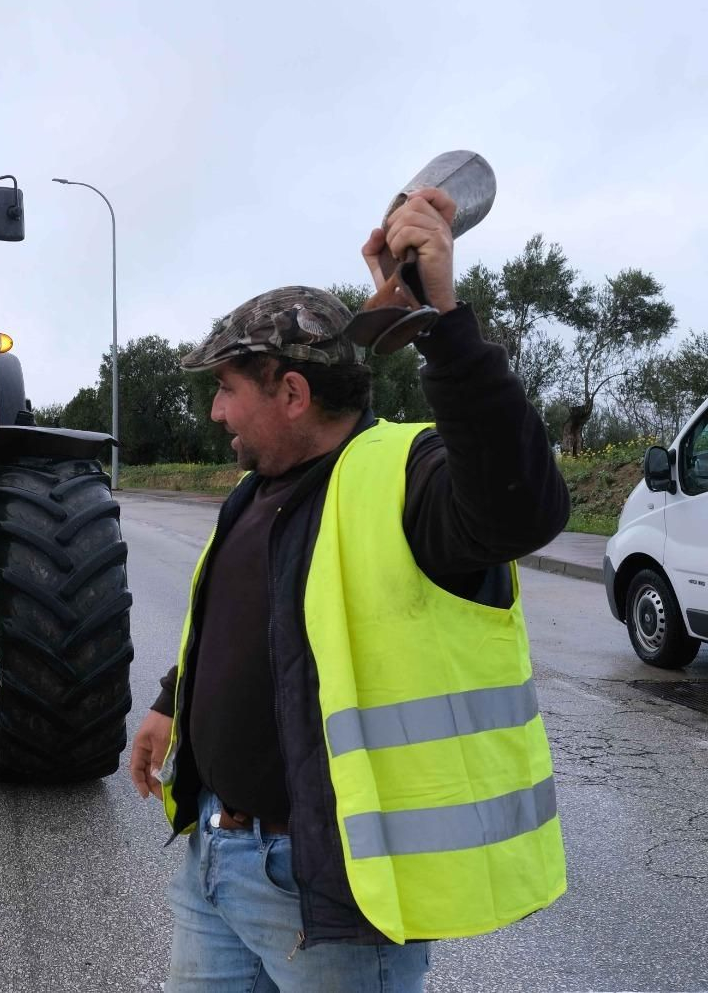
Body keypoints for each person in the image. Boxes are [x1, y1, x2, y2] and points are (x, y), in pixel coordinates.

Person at [128, 187, 569, 992]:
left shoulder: (406, 477)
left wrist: (442, 325)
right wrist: (169, 701)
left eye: (229, 389)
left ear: (292, 393)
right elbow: (240, 627)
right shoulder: (252, 492)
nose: (218, 412)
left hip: (327, 891)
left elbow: (521, 508)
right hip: (214, 864)